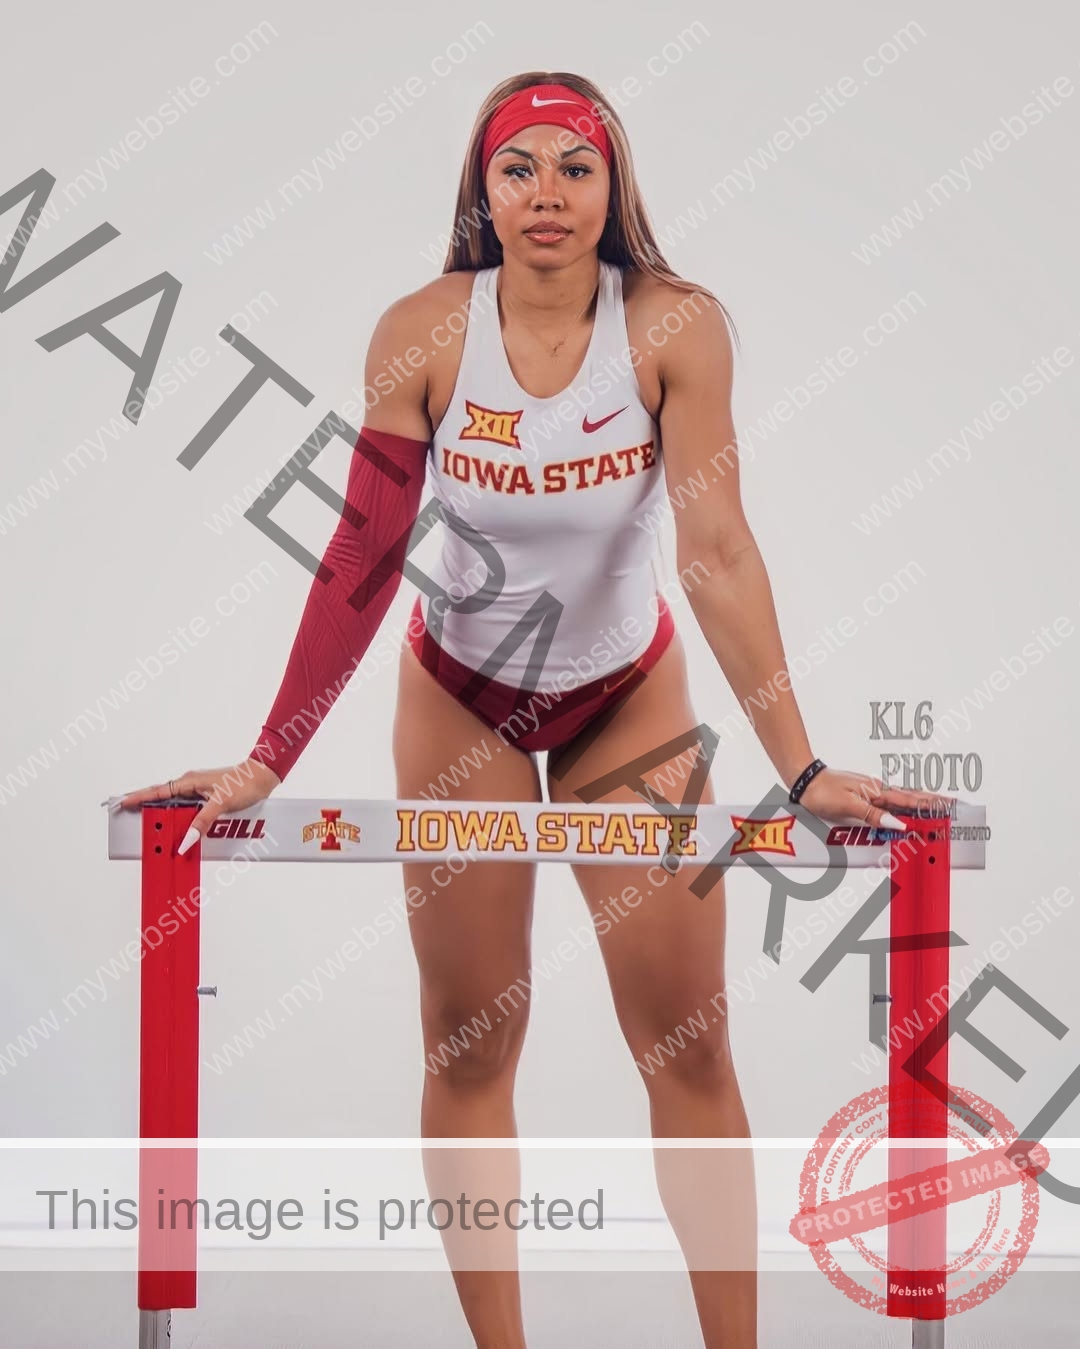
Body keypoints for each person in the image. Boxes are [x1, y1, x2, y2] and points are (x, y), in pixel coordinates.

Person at [118, 71, 942, 1349]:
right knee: (468, 1041)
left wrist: (803, 764)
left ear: (614, 189)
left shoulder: (677, 326)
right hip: (462, 699)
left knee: (688, 1047)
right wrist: (266, 761)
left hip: (627, 693)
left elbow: (716, 550)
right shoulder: (423, 332)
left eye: (576, 166)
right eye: (520, 168)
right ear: (482, 192)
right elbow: (361, 556)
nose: (548, 193)